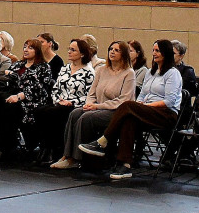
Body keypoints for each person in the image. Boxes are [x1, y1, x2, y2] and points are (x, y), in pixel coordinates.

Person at [78, 39, 183, 180]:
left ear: (166, 53)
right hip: (146, 111)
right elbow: (142, 95)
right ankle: (125, 165)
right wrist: (140, 106)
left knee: (128, 105)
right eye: (153, 50)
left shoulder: (172, 73)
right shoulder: (151, 73)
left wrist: (142, 107)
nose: (154, 53)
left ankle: (103, 141)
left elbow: (169, 101)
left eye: (157, 51)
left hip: (166, 114)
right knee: (129, 119)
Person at [52, 41, 136, 170]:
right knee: (75, 113)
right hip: (96, 107)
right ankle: (67, 155)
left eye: (117, 50)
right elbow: (91, 93)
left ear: (124, 54)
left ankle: (78, 158)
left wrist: (98, 106)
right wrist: (89, 104)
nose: (112, 52)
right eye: (111, 49)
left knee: (86, 118)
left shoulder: (129, 73)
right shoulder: (102, 70)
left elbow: (124, 100)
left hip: (115, 111)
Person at [0, 37, 56, 161]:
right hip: (10, 97)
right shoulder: (18, 65)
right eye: (25, 47)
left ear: (37, 51)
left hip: (31, 102)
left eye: (30, 48)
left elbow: (41, 89)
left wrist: (20, 95)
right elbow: (7, 82)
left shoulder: (43, 67)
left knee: (9, 108)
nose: (26, 50)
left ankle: (4, 147)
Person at [31, 39, 96, 163]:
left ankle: (53, 149)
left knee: (52, 113)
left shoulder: (89, 72)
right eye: (69, 49)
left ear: (82, 54)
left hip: (75, 105)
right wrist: (58, 100)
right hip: (60, 102)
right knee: (39, 111)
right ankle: (45, 146)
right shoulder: (65, 69)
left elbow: (89, 95)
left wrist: (71, 102)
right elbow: (55, 88)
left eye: (73, 50)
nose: (69, 52)